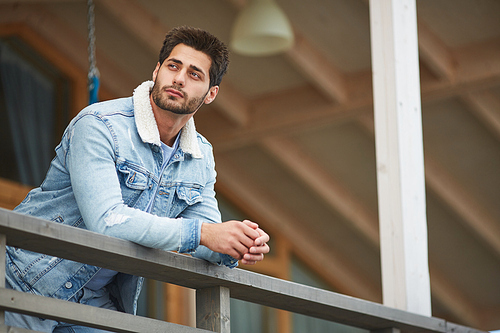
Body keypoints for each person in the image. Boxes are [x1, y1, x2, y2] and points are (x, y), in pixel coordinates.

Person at [5, 26, 270, 332]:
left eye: (195, 74)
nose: (179, 78)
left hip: (92, 298)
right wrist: (204, 233)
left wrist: (238, 244)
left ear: (211, 94)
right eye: (173, 66)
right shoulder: (100, 125)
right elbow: (106, 220)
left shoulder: (200, 156)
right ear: (157, 70)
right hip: (24, 277)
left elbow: (207, 235)